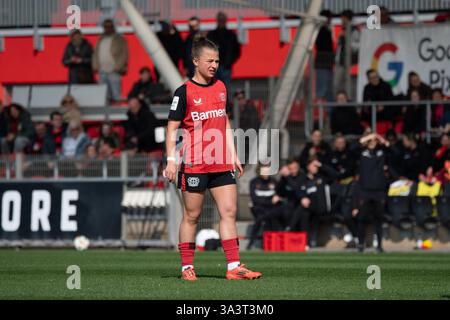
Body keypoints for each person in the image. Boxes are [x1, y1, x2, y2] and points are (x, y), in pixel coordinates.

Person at [163, 37, 261, 281]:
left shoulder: (221, 87)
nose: (214, 65)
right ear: (196, 61)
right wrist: (171, 160)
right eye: (209, 60)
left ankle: (234, 266)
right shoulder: (183, 92)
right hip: (195, 162)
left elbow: (225, 121)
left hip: (221, 160)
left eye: (217, 60)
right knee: (192, 216)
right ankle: (186, 267)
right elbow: (171, 128)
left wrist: (234, 153)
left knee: (228, 211)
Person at [352, 133, 395, 253]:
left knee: (379, 218)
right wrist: (367, 137)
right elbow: (352, 148)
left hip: (379, 191)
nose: (372, 143)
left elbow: (395, 152)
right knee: (361, 218)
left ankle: (379, 245)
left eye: (374, 141)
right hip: (364, 190)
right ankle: (361, 244)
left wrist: (381, 139)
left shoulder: (382, 153)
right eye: (370, 141)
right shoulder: (362, 153)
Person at [286, 158, 339, 248]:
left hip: (323, 208)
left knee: (302, 209)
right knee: (304, 214)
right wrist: (303, 197)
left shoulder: (322, 177)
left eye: (316, 165)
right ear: (308, 167)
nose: (315, 167)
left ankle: (289, 228)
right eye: (313, 165)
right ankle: (306, 243)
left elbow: (336, 175)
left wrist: (321, 165)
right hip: (311, 209)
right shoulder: (304, 179)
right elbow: (297, 189)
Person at [247, 164, 284, 250]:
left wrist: (277, 198)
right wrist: (270, 202)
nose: (266, 173)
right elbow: (255, 200)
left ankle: (272, 243)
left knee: (272, 216)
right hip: (258, 208)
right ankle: (252, 242)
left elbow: (280, 194)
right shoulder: (254, 182)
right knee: (261, 218)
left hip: (271, 208)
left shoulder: (274, 181)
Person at [92, 19, 129, 103]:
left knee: (116, 95)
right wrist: (95, 66)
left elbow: (124, 54)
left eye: (109, 26)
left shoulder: (120, 39)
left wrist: (118, 67)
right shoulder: (100, 39)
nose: (107, 28)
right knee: (104, 96)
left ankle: (118, 114)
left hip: (114, 70)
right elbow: (96, 53)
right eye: (106, 26)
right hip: (102, 71)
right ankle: (105, 115)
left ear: (113, 27)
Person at [207, 12, 241, 88]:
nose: (221, 22)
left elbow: (237, 51)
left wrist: (229, 62)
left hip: (226, 68)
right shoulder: (211, 35)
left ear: (226, 21)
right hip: (214, 67)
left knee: (226, 89)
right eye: (220, 20)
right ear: (217, 21)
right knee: (214, 88)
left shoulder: (231, 35)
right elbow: (206, 50)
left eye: (223, 20)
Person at [314, 10, 334, 102]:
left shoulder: (327, 30)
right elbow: (321, 45)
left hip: (327, 62)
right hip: (322, 61)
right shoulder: (319, 30)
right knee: (322, 85)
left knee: (329, 85)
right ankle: (320, 107)